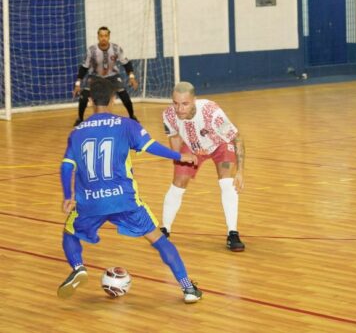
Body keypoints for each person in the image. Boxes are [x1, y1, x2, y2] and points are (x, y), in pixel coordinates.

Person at [58, 78, 202, 303]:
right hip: (124, 201)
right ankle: (188, 288)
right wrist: (179, 156)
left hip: (90, 202)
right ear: (114, 99)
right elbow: (151, 146)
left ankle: (78, 267)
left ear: (90, 101)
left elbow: (67, 166)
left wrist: (68, 196)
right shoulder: (126, 125)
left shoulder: (77, 132)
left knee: (69, 234)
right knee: (159, 240)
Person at [161, 81, 245, 252]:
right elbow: (175, 137)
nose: (179, 109)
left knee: (227, 183)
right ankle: (164, 230)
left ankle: (233, 233)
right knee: (178, 183)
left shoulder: (211, 113)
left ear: (194, 100)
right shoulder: (169, 115)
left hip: (219, 145)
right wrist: (179, 159)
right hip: (192, 148)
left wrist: (241, 171)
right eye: (175, 103)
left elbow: (237, 139)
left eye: (185, 104)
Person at [72, 26, 139, 126]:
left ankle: (132, 116)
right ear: (98, 37)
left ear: (109, 37)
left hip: (112, 76)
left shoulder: (116, 48)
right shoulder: (91, 50)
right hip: (95, 76)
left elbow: (126, 63)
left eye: (106, 36)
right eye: (101, 36)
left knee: (124, 95)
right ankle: (80, 118)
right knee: (84, 96)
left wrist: (132, 77)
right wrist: (77, 83)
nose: (103, 38)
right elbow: (84, 67)